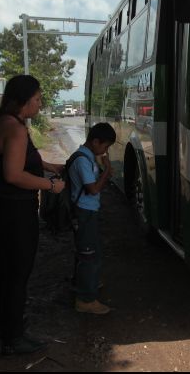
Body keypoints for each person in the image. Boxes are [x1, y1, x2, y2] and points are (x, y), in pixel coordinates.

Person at [0, 75, 66, 356]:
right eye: (37, 99)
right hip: (12, 213)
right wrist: (51, 185)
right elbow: (13, 174)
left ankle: (5, 326)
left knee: (4, 271)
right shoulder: (15, 129)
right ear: (23, 100)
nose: (40, 104)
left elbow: (20, 161)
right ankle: (13, 338)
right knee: (16, 274)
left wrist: (52, 167)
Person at [68, 122, 116, 315]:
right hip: (84, 213)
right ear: (95, 142)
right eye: (105, 146)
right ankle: (86, 299)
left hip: (89, 211)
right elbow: (93, 188)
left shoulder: (87, 157)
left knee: (90, 251)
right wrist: (106, 171)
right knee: (89, 256)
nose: (105, 151)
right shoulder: (82, 161)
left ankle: (86, 282)